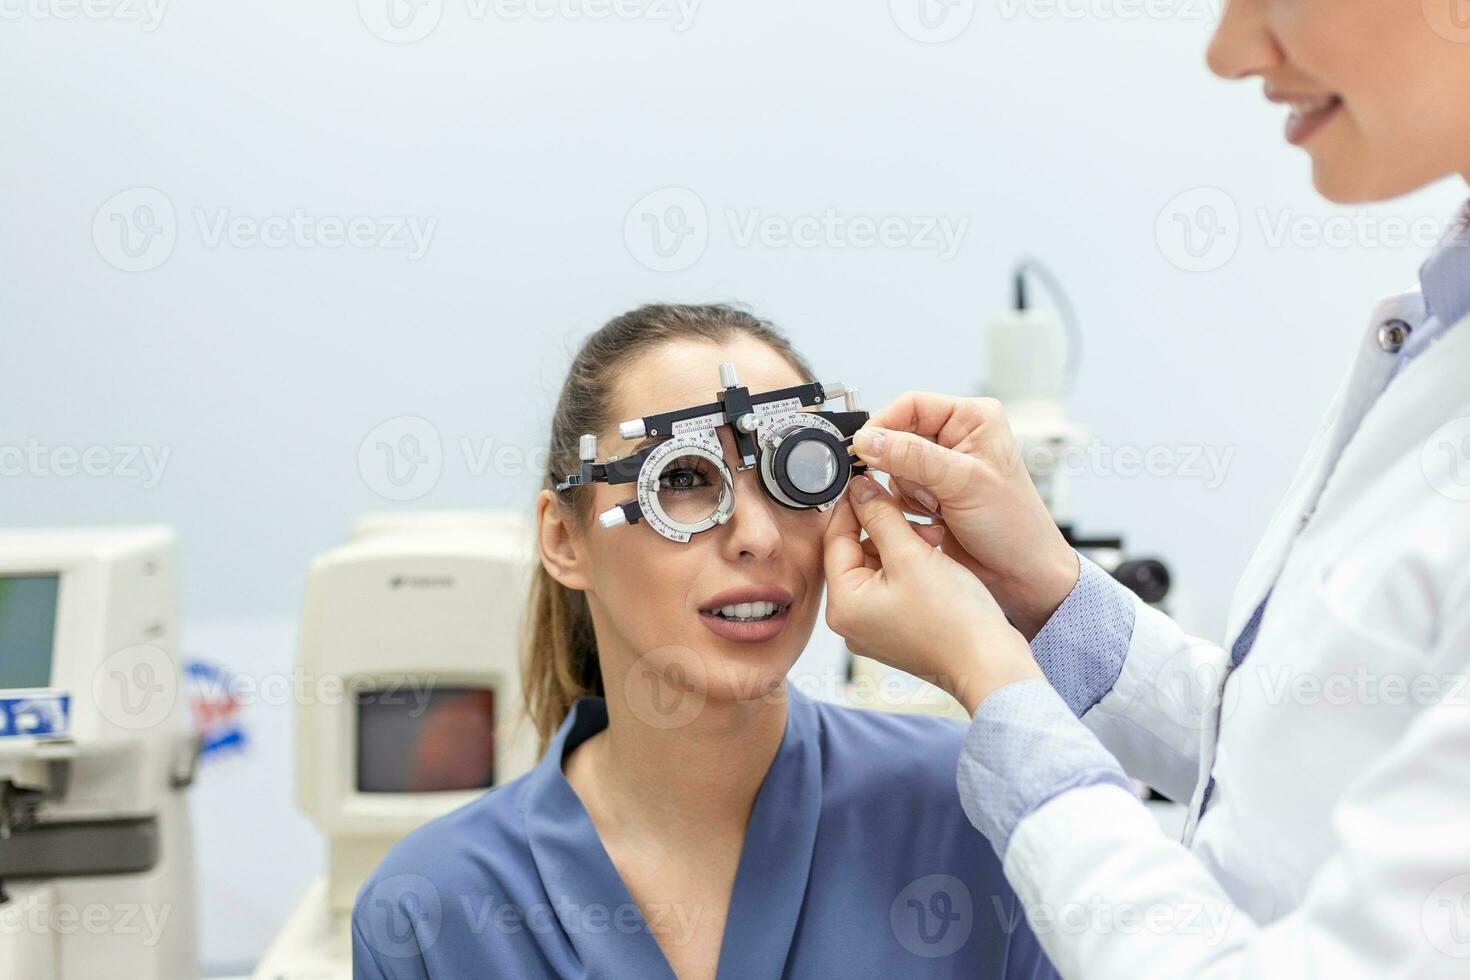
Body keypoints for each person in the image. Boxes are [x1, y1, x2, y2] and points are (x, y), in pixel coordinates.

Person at [820, 1, 1470, 976]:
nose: (1227, 53)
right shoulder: (1434, 332)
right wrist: (1046, 594)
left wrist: (993, 680)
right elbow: (1291, 758)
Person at [350, 304, 1056, 979]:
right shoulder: (431, 909)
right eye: (683, 478)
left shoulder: (977, 811)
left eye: (793, 471)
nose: (757, 537)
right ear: (564, 539)